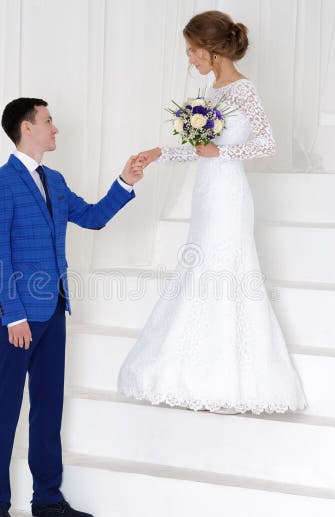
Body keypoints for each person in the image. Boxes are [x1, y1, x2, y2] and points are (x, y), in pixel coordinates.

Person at [118, 11, 307, 416]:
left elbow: (267, 143)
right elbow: (199, 150)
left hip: (228, 193)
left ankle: (227, 378)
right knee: (199, 265)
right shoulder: (214, 92)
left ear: (212, 50)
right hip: (207, 191)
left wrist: (223, 152)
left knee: (225, 268)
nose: (190, 59)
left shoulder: (242, 90)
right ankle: (190, 369)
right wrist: (159, 153)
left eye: (192, 51)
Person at [0, 97, 143, 517]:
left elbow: (90, 218)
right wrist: (12, 314)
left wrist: (124, 182)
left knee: (48, 407)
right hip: (17, 318)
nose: (56, 128)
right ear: (25, 127)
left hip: (54, 310)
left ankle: (48, 498)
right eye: (49, 121)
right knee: (5, 408)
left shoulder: (54, 179)